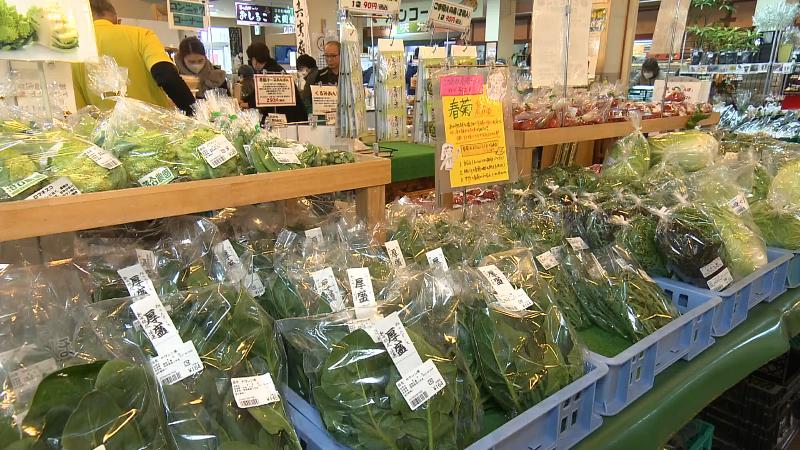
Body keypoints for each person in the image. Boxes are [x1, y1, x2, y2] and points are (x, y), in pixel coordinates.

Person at [73, 0, 195, 115]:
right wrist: (193, 111)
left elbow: (79, 107)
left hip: (104, 134)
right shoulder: (141, 35)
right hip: (155, 129)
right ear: (117, 20)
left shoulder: (74, 48)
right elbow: (166, 75)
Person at [244, 42, 306, 123]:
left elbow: (262, 95)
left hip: (289, 120)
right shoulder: (274, 68)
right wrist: (245, 100)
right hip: (294, 116)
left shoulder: (268, 73)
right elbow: (257, 93)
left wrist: (246, 103)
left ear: (254, 60)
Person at [303, 41, 340, 115]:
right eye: (326, 56)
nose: (329, 59)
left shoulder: (349, 76)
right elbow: (307, 100)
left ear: (341, 55)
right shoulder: (317, 76)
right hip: (323, 120)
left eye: (333, 56)